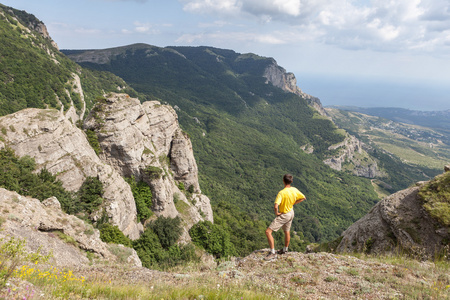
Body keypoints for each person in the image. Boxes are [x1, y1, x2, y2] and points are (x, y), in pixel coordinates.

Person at [265, 173, 306, 260]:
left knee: (268, 232)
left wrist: (277, 213)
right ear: (291, 181)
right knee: (287, 231)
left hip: (284, 214)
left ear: (283, 181)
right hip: (291, 212)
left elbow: (276, 206)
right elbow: (303, 198)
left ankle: (273, 253)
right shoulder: (294, 189)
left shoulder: (281, 193)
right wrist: (293, 203)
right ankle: (285, 250)